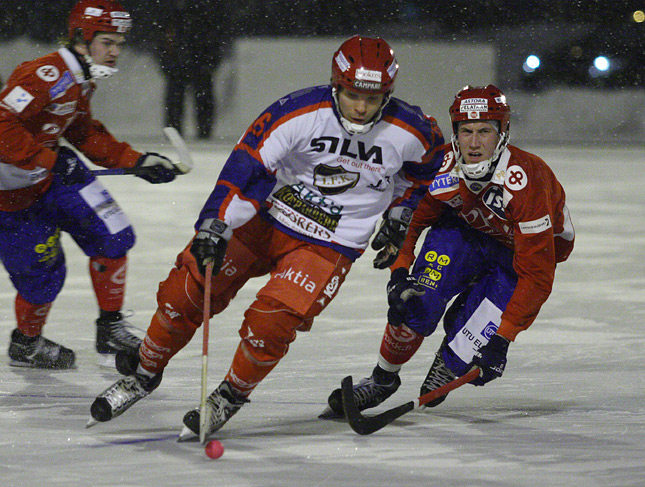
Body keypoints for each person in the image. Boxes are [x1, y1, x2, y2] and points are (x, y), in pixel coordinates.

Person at [87, 35, 445, 437]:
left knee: (271, 324)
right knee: (186, 290)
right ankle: (144, 372)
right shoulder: (297, 112)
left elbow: (431, 173)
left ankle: (230, 395)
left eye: (373, 97)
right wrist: (215, 222)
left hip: (329, 243)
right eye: (352, 94)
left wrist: (401, 213)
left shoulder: (412, 129)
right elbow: (246, 165)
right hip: (265, 220)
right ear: (335, 84)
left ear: (388, 93)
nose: (362, 108)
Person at [323, 84, 575, 416]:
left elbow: (538, 276)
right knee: (414, 301)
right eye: (466, 131)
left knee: (464, 351)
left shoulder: (528, 181)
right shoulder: (441, 165)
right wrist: (399, 273)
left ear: (503, 133)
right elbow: (412, 223)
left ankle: (452, 354)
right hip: (466, 231)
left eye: (484, 131)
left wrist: (503, 340)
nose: (473, 143)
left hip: (517, 258)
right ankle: (382, 380)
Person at [0, 0, 179, 370]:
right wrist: (47, 162)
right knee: (42, 277)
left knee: (114, 235)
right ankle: (26, 343)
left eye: (119, 43)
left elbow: (82, 132)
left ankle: (110, 328)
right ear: (82, 38)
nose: (116, 52)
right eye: (108, 42)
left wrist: (137, 160)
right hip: (10, 194)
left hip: (52, 173)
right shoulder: (45, 74)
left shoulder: (81, 78)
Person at [155, 0, 232, 139]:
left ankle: (189, 132)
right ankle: (185, 132)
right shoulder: (201, 13)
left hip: (191, 62)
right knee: (185, 100)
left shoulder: (179, 13)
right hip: (189, 62)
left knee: (185, 100)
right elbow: (164, 38)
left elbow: (164, 38)